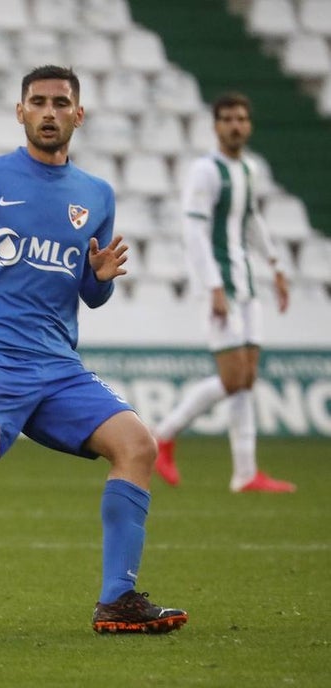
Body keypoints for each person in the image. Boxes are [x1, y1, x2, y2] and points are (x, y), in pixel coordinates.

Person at [0, 65, 187, 634]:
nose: (49, 111)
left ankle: (116, 600)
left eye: (61, 102)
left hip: (58, 366)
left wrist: (99, 278)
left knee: (138, 447)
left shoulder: (96, 195)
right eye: (38, 102)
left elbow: (92, 295)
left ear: (79, 114)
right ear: (20, 112)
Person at [151, 93, 295, 494]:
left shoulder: (248, 168)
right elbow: (194, 232)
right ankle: (163, 433)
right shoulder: (205, 171)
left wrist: (276, 265)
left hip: (245, 283)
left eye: (242, 118)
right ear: (216, 126)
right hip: (219, 285)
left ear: (249, 125)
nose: (235, 125)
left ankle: (246, 472)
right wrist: (213, 285)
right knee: (234, 378)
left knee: (246, 377)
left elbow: (251, 219)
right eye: (228, 119)